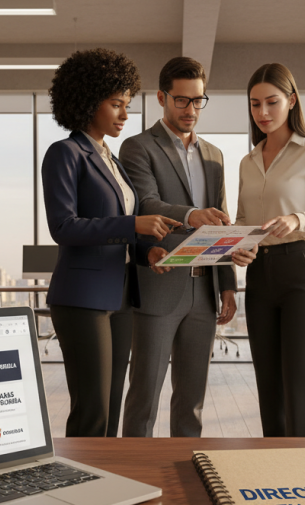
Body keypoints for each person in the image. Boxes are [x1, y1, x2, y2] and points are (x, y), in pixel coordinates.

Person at [42, 48, 181, 437]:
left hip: (119, 295)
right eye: (115, 104)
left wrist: (146, 250)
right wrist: (133, 223)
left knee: (111, 408)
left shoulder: (112, 160)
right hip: (81, 297)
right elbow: (64, 227)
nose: (124, 114)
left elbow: (120, 233)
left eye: (127, 104)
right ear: (88, 101)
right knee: (92, 411)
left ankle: (109, 488)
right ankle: (79, 492)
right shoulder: (65, 154)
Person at [119, 57, 256, 438]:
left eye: (198, 100)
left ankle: (188, 471)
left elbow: (223, 221)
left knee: (192, 399)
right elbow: (146, 204)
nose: (191, 110)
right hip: (160, 285)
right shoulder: (138, 147)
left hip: (204, 291)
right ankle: (135, 473)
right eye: (181, 100)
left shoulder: (214, 156)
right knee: (144, 395)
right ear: (162, 97)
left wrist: (227, 283)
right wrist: (192, 215)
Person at [237, 63, 305, 437]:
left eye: (272, 102)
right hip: (259, 275)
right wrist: (238, 246)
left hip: (302, 272)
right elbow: (243, 221)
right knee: (269, 385)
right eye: (255, 105)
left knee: (300, 384)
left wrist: (299, 219)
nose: (263, 113)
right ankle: (275, 467)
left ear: (292, 100)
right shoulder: (247, 162)